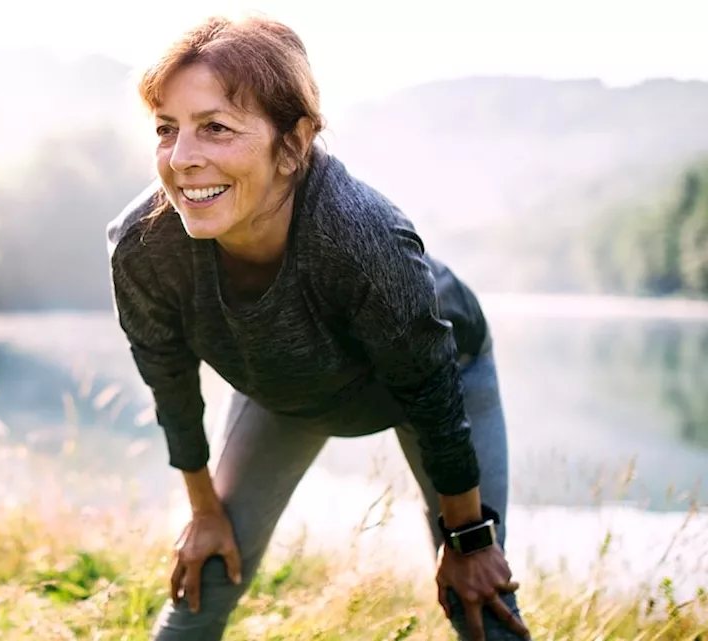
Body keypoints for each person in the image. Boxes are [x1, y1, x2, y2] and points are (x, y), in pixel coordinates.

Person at [105, 14, 532, 641]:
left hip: (440, 381)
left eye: (216, 128)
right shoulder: (143, 245)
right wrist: (203, 510)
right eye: (168, 129)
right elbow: (166, 375)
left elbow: (431, 395)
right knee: (206, 574)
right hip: (284, 388)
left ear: (294, 143)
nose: (183, 159)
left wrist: (467, 538)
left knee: (478, 598)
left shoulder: (364, 236)